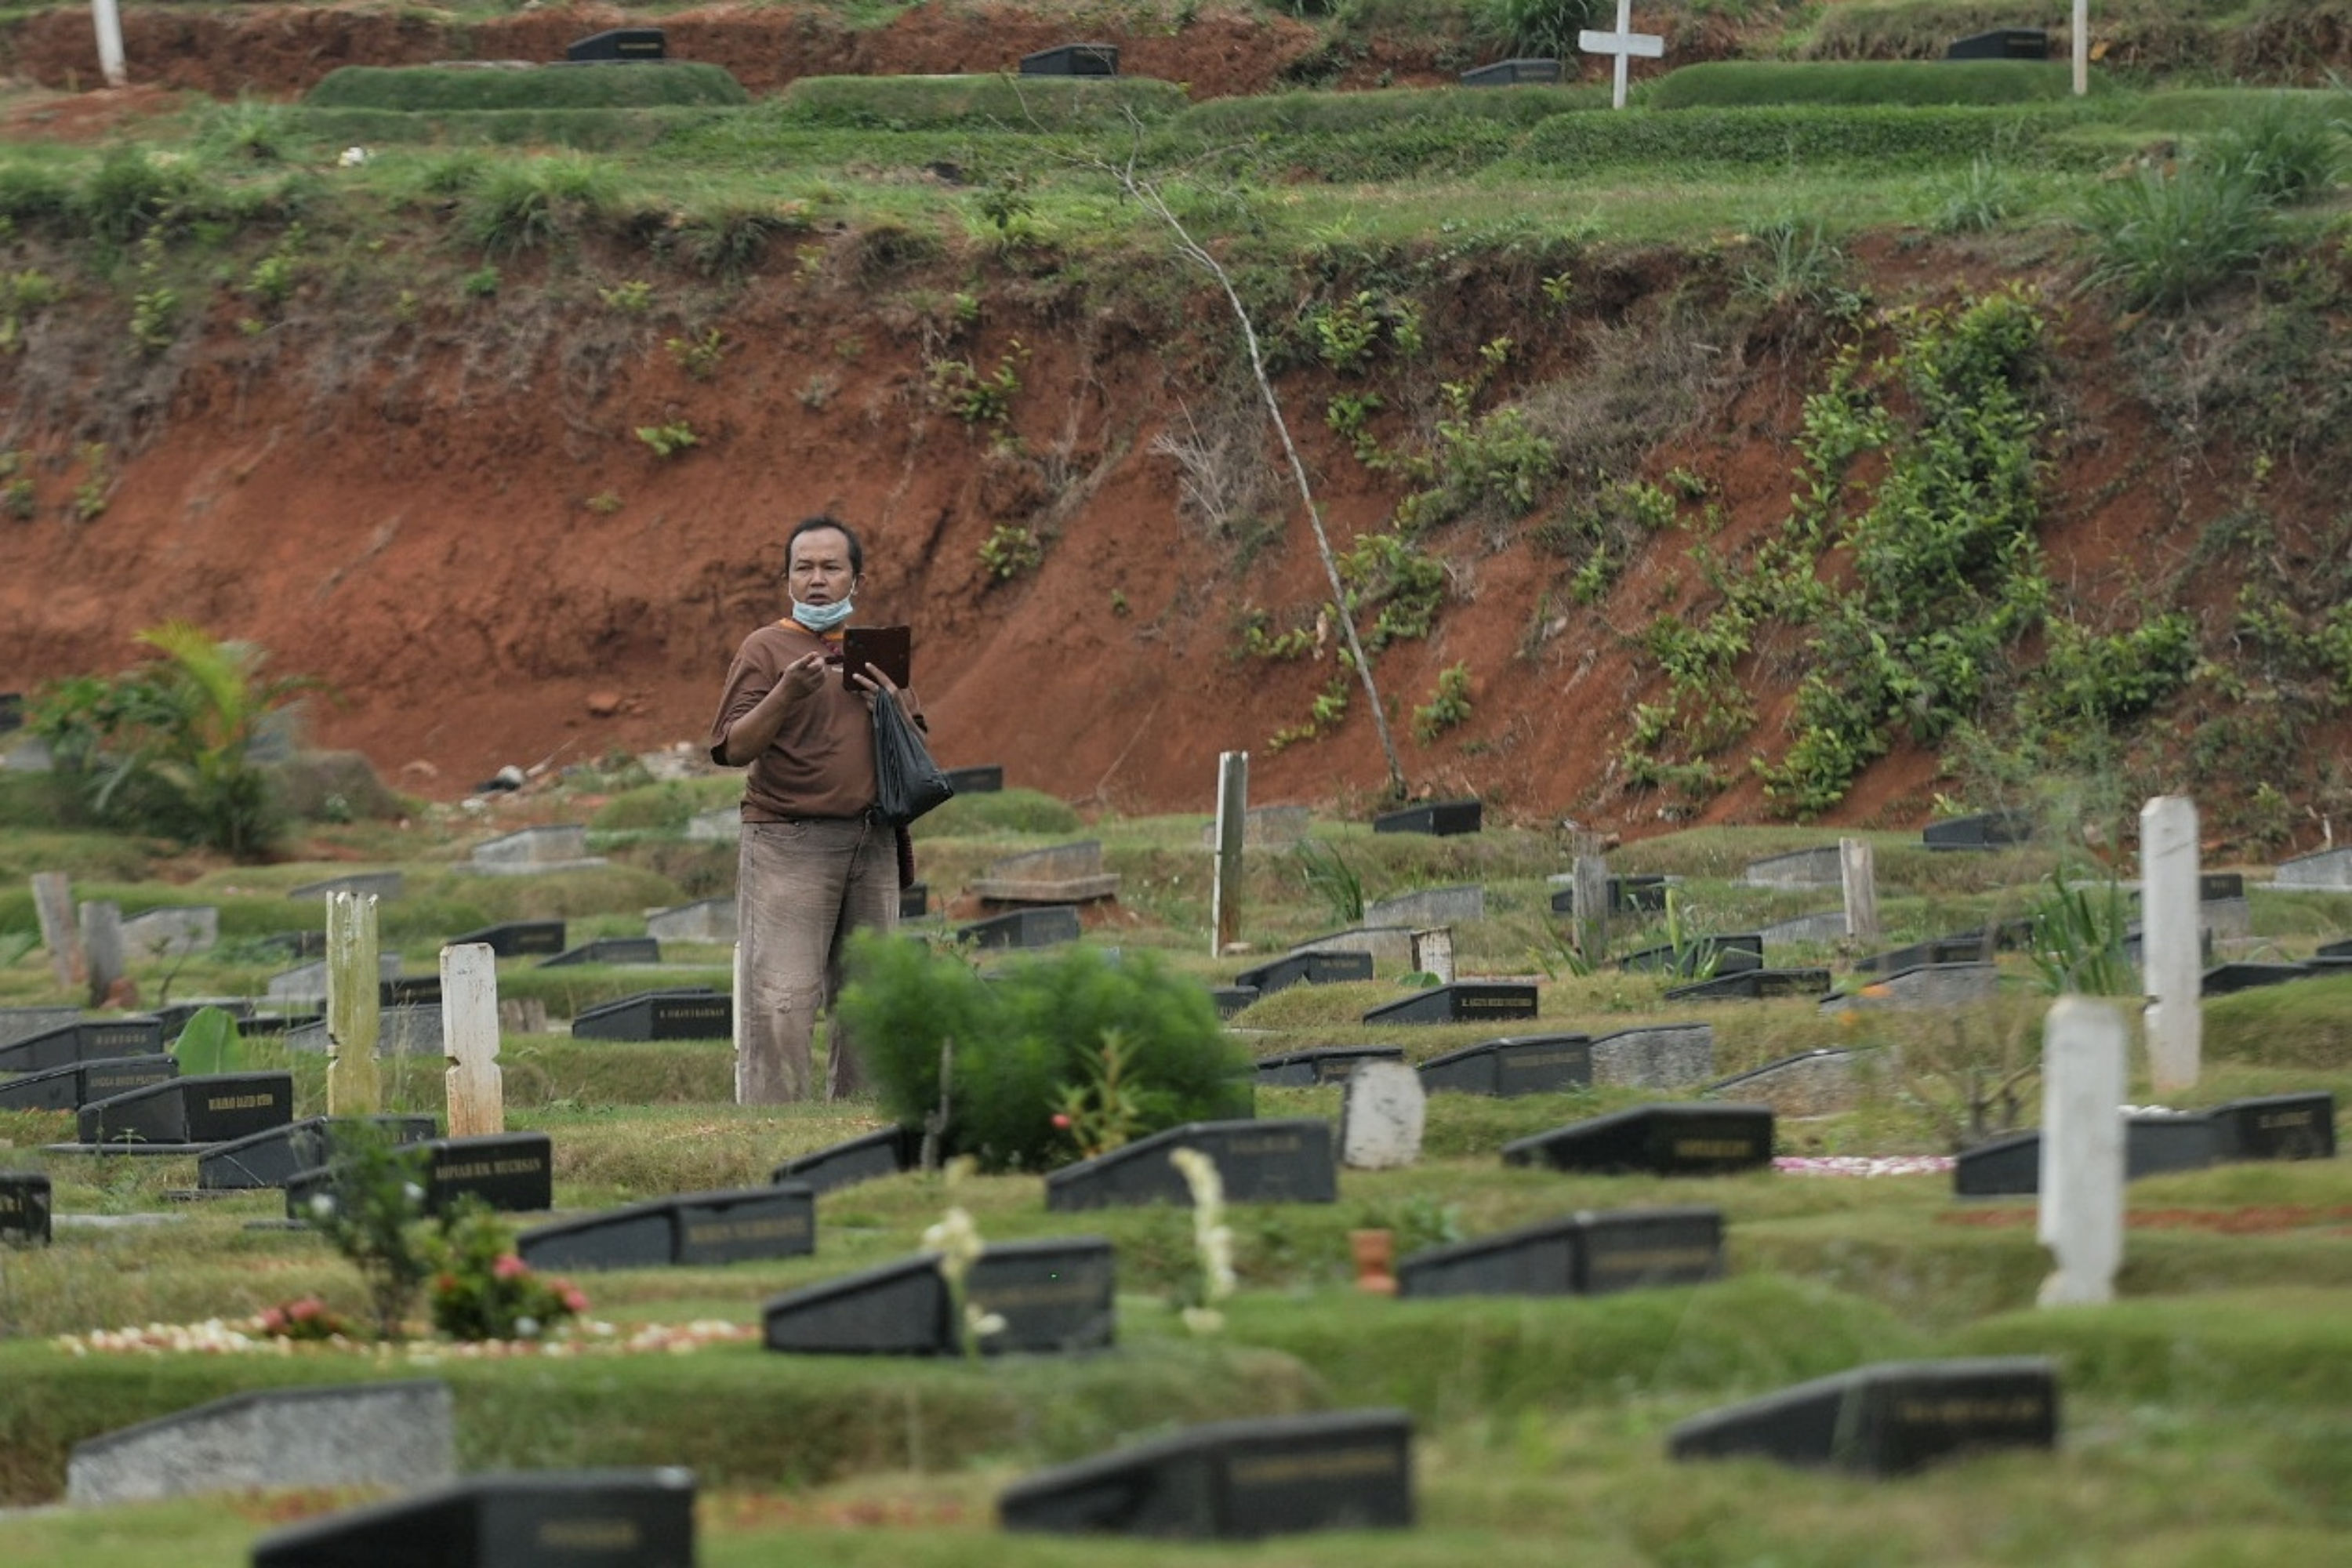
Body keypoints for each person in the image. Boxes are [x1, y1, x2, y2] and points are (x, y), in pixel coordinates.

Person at [707, 514, 919, 1103]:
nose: (817, 580)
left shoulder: (875, 649)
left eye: (831, 567)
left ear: (857, 578)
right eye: (805, 568)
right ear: (787, 579)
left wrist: (892, 704)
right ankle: (774, 1129)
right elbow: (732, 747)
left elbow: (914, 748)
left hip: (871, 841)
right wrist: (784, 695)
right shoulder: (765, 647)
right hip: (789, 843)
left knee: (869, 999)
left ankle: (862, 1125)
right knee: (780, 998)